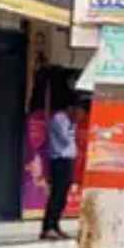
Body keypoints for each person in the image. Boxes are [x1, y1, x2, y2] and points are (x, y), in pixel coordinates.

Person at [40, 101, 83, 240]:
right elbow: (65, 140)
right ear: (71, 108)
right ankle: (48, 227)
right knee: (56, 194)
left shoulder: (70, 122)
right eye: (78, 112)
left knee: (63, 195)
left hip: (67, 161)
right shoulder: (60, 119)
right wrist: (72, 123)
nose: (80, 116)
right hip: (59, 160)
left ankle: (56, 225)